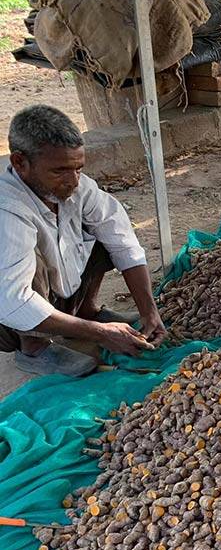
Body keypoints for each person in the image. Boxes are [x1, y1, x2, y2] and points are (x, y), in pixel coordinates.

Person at [0, 105, 165, 377]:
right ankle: (34, 346)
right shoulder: (8, 210)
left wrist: (149, 311)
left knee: (105, 236)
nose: (73, 181)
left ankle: (86, 310)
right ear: (20, 163)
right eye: (60, 171)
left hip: (60, 293)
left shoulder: (78, 188)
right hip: (8, 314)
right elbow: (14, 301)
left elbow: (123, 242)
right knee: (33, 260)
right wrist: (100, 334)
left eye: (78, 168)